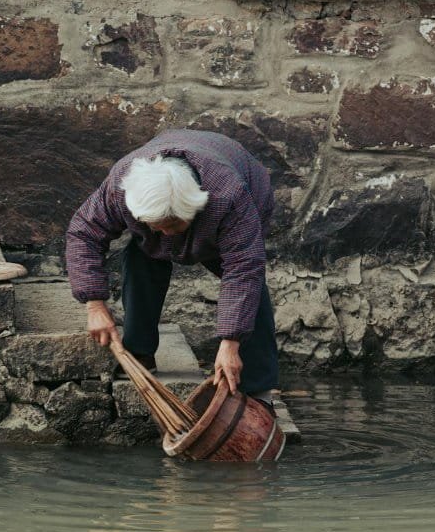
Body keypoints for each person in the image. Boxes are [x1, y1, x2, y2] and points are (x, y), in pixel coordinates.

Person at [65, 129, 279, 407]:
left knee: (250, 286)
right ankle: (139, 351)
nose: (166, 234)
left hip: (240, 192)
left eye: (174, 224)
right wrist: (94, 304)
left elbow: (243, 269)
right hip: (166, 212)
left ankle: (258, 391)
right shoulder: (120, 186)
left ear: (194, 208)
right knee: (141, 256)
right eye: (158, 225)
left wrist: (230, 344)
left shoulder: (230, 197)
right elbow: (83, 233)